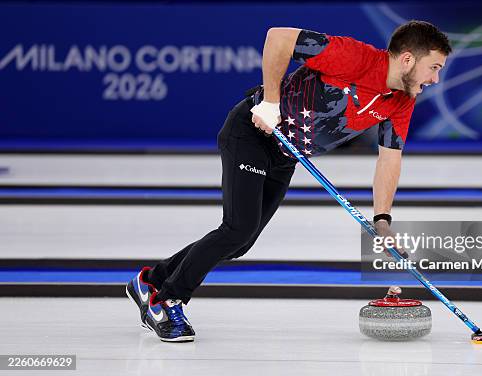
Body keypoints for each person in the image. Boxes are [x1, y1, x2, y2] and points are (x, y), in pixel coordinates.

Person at [126, 20, 451, 342]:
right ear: (407, 59)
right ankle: (166, 301)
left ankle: (150, 280)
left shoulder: (401, 101)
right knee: (238, 228)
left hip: (285, 156)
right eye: (433, 67)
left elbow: (389, 159)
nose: (435, 78)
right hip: (252, 134)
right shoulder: (355, 58)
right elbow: (278, 38)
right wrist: (270, 102)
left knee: (241, 241)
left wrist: (382, 219)